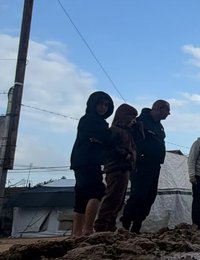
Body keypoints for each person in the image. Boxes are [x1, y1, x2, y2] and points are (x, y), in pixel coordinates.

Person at [121, 99, 171, 234]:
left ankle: (137, 225)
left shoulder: (159, 126)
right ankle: (126, 222)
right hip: (141, 164)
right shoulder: (140, 121)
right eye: (167, 111)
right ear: (160, 109)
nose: (168, 114)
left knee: (150, 196)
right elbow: (130, 139)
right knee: (139, 194)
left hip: (155, 165)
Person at [69, 91, 114, 237]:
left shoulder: (95, 121)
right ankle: (88, 229)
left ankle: (77, 233)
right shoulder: (90, 120)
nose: (103, 107)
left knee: (81, 196)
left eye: (106, 104)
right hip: (88, 161)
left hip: (82, 161)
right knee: (97, 191)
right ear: (93, 104)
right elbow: (106, 139)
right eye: (100, 104)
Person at [95, 104, 140, 232]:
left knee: (119, 201)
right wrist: (124, 154)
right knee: (112, 198)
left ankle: (110, 225)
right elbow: (109, 148)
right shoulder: (115, 131)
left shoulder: (128, 132)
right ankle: (101, 226)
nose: (134, 121)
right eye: (132, 117)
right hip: (116, 168)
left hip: (125, 168)